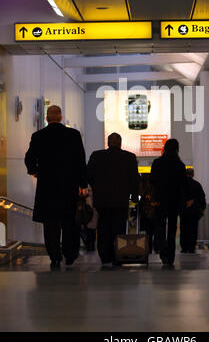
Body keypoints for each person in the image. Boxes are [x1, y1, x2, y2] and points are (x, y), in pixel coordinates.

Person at [24, 105, 88, 270]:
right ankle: (70, 254)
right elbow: (81, 160)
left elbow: (29, 158)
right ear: (60, 118)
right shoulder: (73, 135)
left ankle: (55, 256)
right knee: (69, 222)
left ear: (47, 118)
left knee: (50, 224)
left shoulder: (38, 136)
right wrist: (82, 184)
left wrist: (35, 171)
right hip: (69, 187)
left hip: (47, 188)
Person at [87, 132, 140, 266]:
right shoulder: (129, 157)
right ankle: (118, 255)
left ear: (108, 143)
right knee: (119, 227)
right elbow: (134, 179)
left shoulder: (97, 156)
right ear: (120, 143)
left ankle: (105, 256)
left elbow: (88, 175)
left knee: (103, 227)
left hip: (102, 200)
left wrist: (96, 187)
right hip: (120, 200)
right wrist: (134, 196)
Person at [150, 138, 189, 266]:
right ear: (177, 149)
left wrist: (154, 198)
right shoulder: (180, 165)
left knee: (160, 226)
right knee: (172, 229)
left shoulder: (157, 163)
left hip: (160, 201)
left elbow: (152, 182)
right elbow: (183, 186)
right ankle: (170, 256)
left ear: (164, 148)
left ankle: (163, 250)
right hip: (174, 201)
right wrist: (183, 202)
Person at [180, 168, 206, 253]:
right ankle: (191, 247)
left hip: (184, 211)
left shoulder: (181, 185)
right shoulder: (197, 185)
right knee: (193, 229)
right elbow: (202, 198)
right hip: (194, 212)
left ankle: (184, 247)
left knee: (183, 229)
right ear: (193, 174)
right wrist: (202, 208)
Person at [139, 174, 159, 254]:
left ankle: (149, 249)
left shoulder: (146, 189)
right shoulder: (158, 187)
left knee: (149, 233)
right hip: (155, 213)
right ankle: (156, 248)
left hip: (148, 214)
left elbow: (142, 201)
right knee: (156, 232)